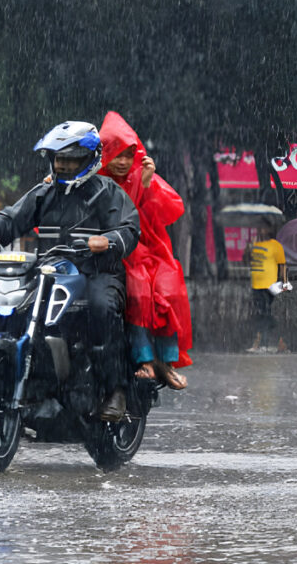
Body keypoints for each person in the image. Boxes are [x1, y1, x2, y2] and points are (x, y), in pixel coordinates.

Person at [0, 121, 140, 421]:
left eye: (71, 159)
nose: (63, 165)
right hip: (51, 273)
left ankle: (115, 390)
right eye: (59, 159)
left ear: (89, 159)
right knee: (18, 306)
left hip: (98, 272)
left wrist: (107, 240)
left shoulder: (107, 191)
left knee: (102, 307)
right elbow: (11, 219)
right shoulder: (44, 193)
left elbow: (130, 229)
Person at [98, 112, 190, 390]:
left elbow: (164, 212)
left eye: (129, 155)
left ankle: (166, 360)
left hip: (148, 250)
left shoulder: (142, 176)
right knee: (138, 291)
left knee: (168, 284)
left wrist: (147, 185)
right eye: (116, 154)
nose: (123, 162)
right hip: (116, 250)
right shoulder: (94, 178)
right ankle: (144, 359)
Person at [246, 224, 289, 353]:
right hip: (255, 284)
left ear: (270, 230)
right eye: (259, 228)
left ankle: (263, 343)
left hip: (269, 285)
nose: (261, 230)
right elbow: (246, 259)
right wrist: (249, 247)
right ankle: (266, 338)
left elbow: (282, 265)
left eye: (264, 228)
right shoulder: (254, 243)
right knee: (262, 312)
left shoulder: (276, 245)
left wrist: (284, 282)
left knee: (263, 311)